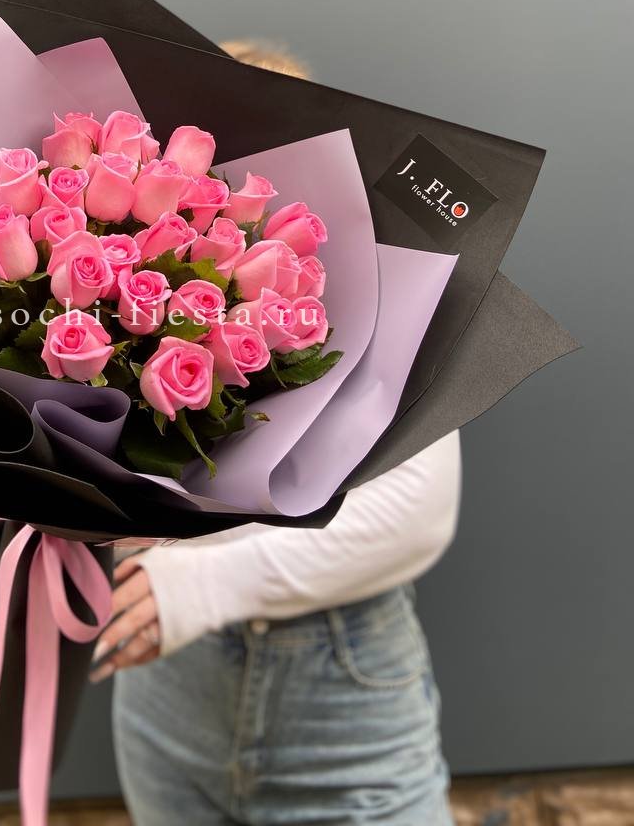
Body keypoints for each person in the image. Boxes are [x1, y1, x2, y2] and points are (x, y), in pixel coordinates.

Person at [92, 41, 462, 826]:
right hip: (168, 693)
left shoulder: (379, 299)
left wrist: (197, 583)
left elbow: (419, 512)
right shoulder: (122, 297)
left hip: (339, 692)